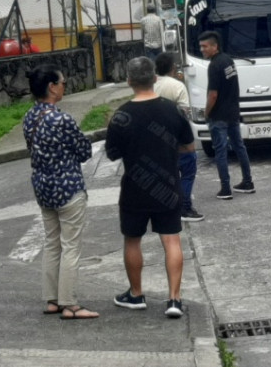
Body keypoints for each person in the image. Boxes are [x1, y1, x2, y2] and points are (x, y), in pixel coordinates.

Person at [105, 56, 195, 318]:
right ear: (155, 78)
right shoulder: (172, 110)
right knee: (171, 239)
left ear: (129, 81)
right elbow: (188, 146)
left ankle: (136, 294)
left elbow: (112, 154)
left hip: (135, 188)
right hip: (168, 185)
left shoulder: (121, 115)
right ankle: (174, 300)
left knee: (132, 240)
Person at [22, 64, 99, 321]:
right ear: (52, 87)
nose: (64, 86)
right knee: (71, 247)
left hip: (43, 189)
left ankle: (52, 300)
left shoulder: (29, 118)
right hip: (68, 188)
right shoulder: (62, 119)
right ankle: (70, 304)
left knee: (52, 243)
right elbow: (85, 151)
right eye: (63, 83)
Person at [199, 31, 254, 200]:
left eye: (205, 46)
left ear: (215, 46)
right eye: (201, 46)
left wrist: (206, 113)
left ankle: (225, 188)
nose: (202, 50)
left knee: (220, 152)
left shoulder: (214, 65)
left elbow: (213, 94)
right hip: (232, 112)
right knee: (239, 147)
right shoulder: (228, 60)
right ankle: (248, 182)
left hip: (219, 116)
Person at [154, 51, 203, 222]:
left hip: (156, 137)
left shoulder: (150, 85)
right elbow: (184, 113)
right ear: (173, 68)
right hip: (177, 136)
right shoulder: (177, 86)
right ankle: (185, 207)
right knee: (188, 170)